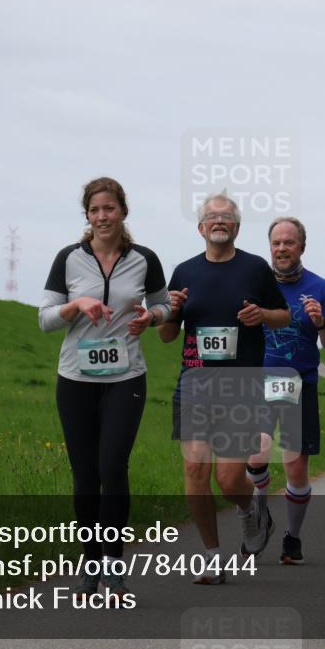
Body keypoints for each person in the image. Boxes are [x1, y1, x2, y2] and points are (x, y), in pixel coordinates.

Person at [39, 177, 171, 602]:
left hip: (126, 377)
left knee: (113, 467)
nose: (102, 217)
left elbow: (165, 308)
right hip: (75, 380)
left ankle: (115, 567)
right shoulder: (68, 259)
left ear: (123, 212)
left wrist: (150, 318)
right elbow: (44, 318)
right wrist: (77, 305)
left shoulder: (145, 259)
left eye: (109, 208)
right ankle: (89, 567)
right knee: (85, 476)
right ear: (87, 216)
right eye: (95, 210)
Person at [158, 193, 290, 584]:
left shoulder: (255, 269)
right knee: (195, 467)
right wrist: (173, 309)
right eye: (211, 217)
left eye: (227, 217)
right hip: (194, 381)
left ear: (236, 227)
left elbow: (283, 317)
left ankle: (251, 511)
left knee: (229, 480)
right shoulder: (183, 272)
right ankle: (213, 558)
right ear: (200, 228)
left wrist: (262, 315)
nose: (219, 221)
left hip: (241, 385)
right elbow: (167, 334)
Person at [249, 216, 325, 565]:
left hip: (300, 382)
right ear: (270, 247)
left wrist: (319, 323)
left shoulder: (319, 287)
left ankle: (292, 537)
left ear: (302, 246)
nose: (282, 248)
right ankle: (261, 512)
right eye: (276, 243)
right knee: (255, 454)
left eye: (289, 242)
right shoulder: (256, 284)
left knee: (296, 465)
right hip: (258, 380)